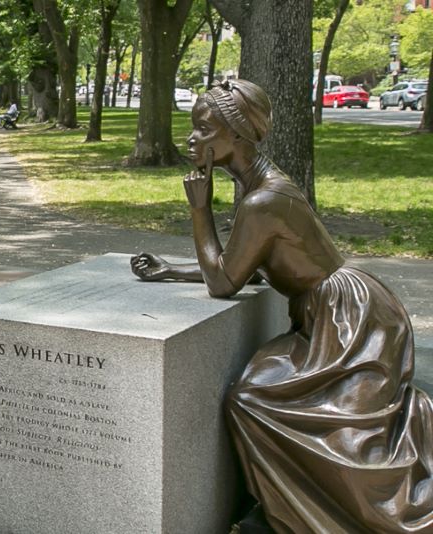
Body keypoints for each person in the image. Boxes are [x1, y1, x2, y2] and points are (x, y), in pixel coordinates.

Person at [131, 79, 433, 532]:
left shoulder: (264, 200)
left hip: (351, 324)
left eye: (205, 129)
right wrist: (172, 270)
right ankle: (289, 503)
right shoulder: (260, 187)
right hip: (334, 314)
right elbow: (245, 267)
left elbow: (223, 282)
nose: (192, 138)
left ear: (238, 136)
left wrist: (200, 209)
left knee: (257, 402)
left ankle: (322, 509)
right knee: (263, 398)